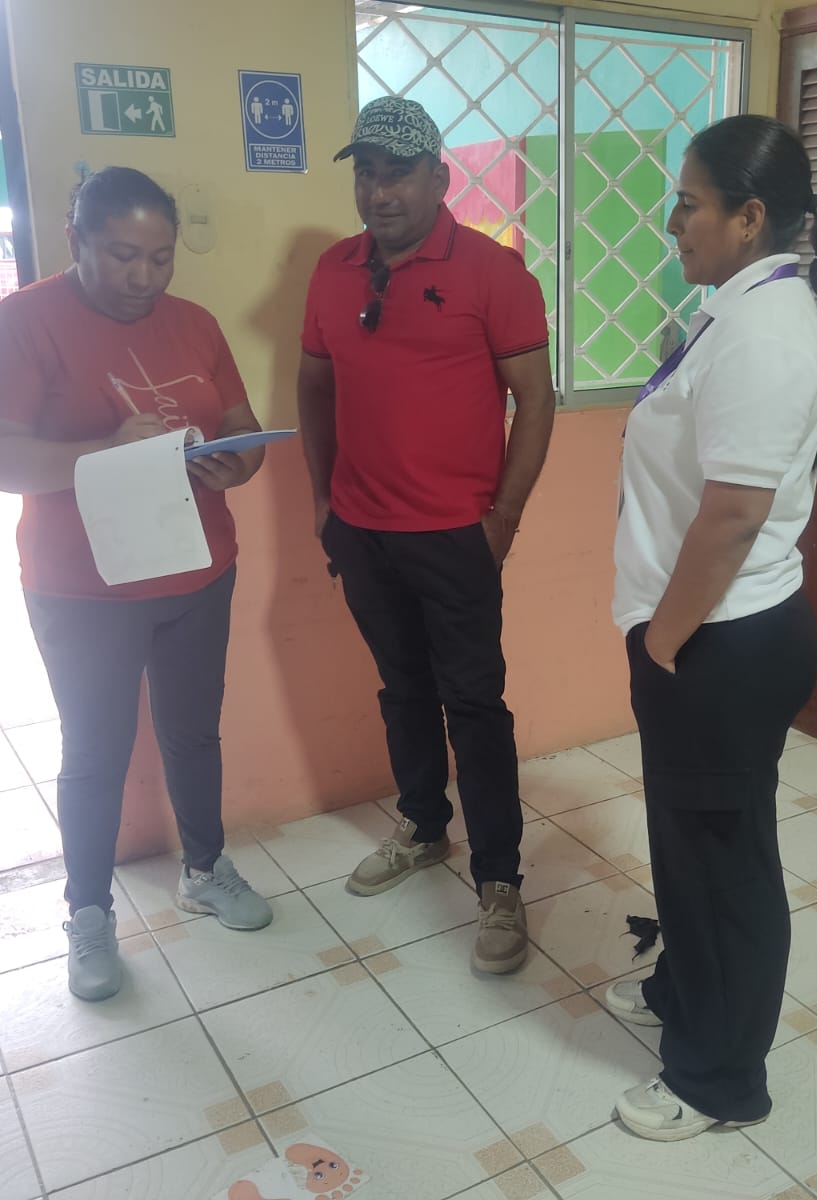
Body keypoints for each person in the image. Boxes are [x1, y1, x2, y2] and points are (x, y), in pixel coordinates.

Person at [0, 166, 274, 1002]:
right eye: (124, 255)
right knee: (94, 753)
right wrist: (102, 454)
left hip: (198, 569)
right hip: (83, 588)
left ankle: (204, 868)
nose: (144, 277)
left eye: (161, 258)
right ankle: (89, 913)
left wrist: (237, 460)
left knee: (193, 733)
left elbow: (240, 426)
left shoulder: (196, 324)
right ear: (77, 241)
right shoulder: (24, 323)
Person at [603, 114, 817, 1140]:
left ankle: (718, 1080)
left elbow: (735, 516)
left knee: (725, 868)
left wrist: (663, 641)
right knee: (689, 850)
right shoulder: (739, 307)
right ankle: (682, 996)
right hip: (706, 634)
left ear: (749, 218)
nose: (672, 223)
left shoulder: (764, 334)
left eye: (689, 204)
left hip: (719, 643)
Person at [296, 97, 556, 974]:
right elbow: (314, 388)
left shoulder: (493, 272)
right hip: (362, 532)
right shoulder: (332, 271)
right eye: (366, 173)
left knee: (474, 705)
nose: (378, 190)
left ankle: (500, 878)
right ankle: (422, 826)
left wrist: (503, 518)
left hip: (455, 538)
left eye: (397, 172)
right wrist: (324, 501)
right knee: (402, 689)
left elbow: (536, 401)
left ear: (439, 177)